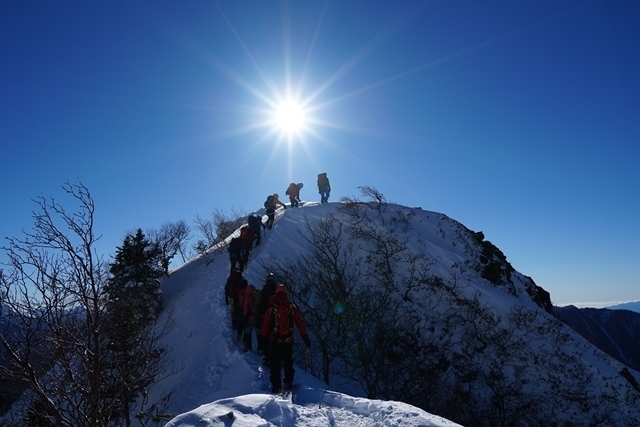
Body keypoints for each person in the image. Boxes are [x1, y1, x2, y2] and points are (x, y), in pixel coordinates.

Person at [261, 284, 311, 393]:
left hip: (275, 341)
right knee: (288, 363)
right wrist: (305, 337)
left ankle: (276, 387)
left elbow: (266, 324)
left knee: (275, 365)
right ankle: (288, 383)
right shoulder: (291, 307)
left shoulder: (271, 308)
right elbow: (299, 323)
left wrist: (263, 339)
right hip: (288, 340)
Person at [254, 273, 278, 358]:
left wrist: (256, 316)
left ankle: (261, 349)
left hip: (263, 316)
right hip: (276, 317)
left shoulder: (262, 291)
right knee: (274, 334)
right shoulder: (278, 291)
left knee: (262, 333)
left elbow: (257, 305)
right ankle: (274, 353)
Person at [224, 268, 244, 332]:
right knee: (239, 309)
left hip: (232, 296)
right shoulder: (240, 277)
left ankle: (234, 323)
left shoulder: (230, 278)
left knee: (233, 310)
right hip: (239, 296)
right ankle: (240, 322)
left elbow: (226, 288)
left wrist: (226, 298)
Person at [242, 283, 257, 351]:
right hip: (257, 316)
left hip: (250, 317)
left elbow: (246, 308)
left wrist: (244, 317)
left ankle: (248, 346)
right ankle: (261, 348)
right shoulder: (257, 296)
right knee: (259, 332)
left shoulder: (248, 297)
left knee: (248, 331)